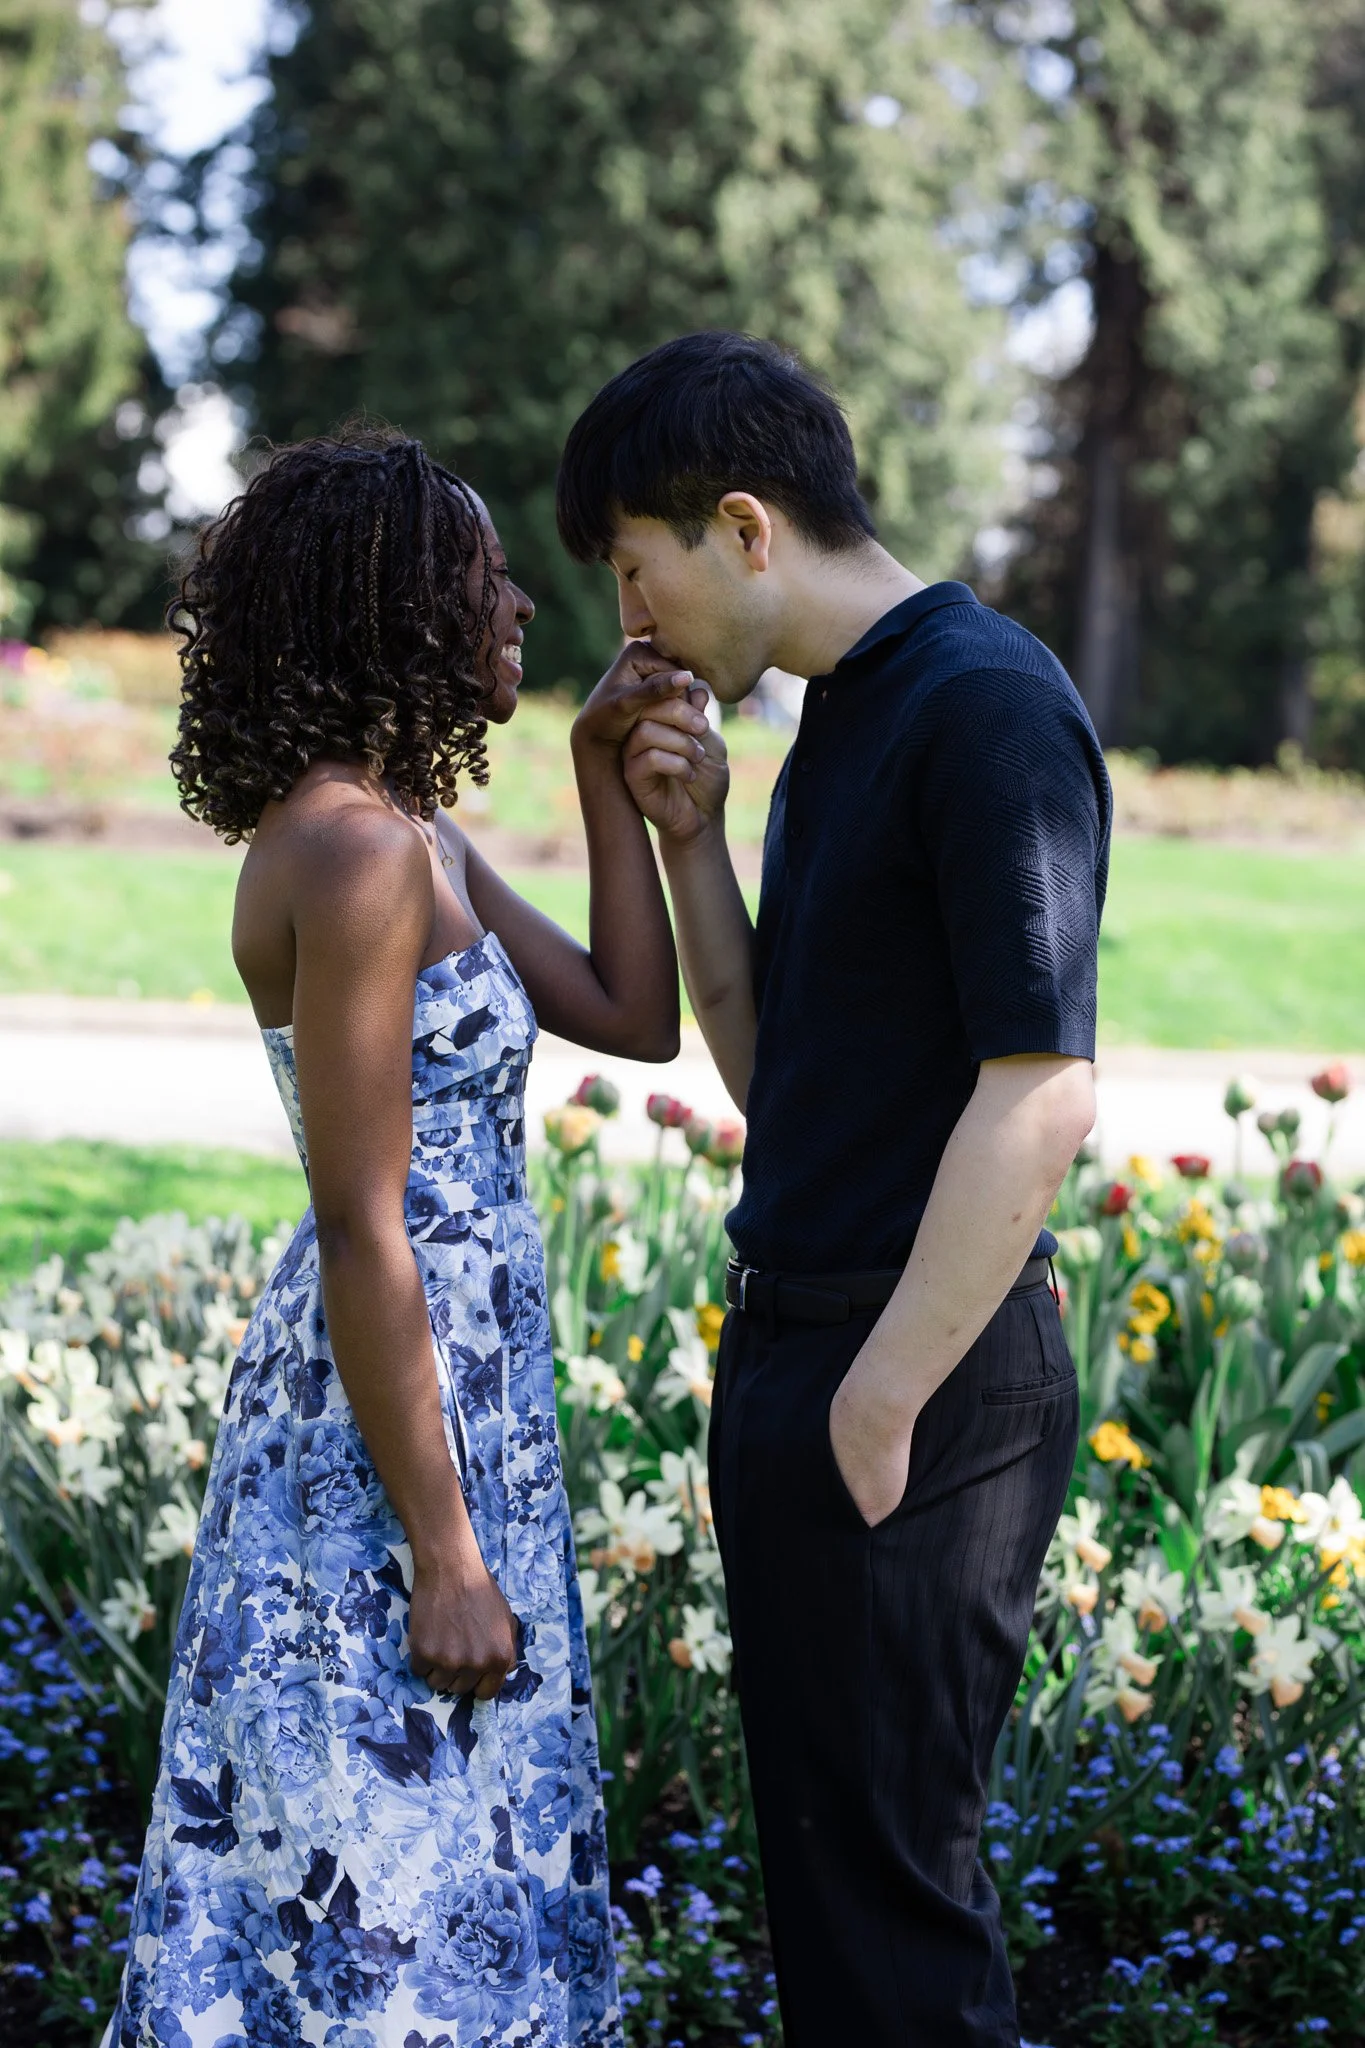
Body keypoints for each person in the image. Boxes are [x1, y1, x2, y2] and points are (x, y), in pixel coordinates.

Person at [104, 426, 706, 2048]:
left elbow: (636, 1019)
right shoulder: (357, 855)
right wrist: (444, 1549)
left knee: (443, 1872)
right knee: (377, 1880)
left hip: (457, 1402)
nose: (516, 600)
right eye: (479, 575)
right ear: (391, 613)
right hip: (382, 1433)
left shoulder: (414, 835)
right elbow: (365, 1229)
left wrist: (600, 782)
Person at [556, 333, 1111, 2048]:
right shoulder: (843, 728)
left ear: (741, 527)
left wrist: (876, 1403)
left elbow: (1043, 1090)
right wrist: (691, 843)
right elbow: (770, 1069)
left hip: (916, 1377)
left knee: (894, 1926)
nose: (629, 631)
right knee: (838, 1911)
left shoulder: (985, 701)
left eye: (634, 579)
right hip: (817, 1348)